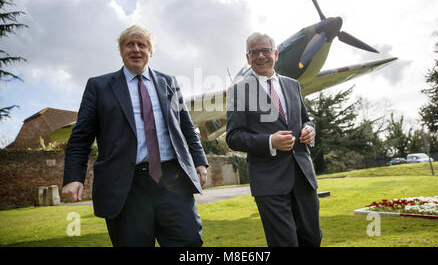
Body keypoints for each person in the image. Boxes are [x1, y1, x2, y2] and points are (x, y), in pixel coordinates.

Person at [62, 25, 208, 247]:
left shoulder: (169, 83)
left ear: (151, 52)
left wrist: (199, 162)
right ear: (121, 51)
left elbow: (187, 128)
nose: (136, 49)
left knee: (189, 242)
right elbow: (80, 138)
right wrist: (74, 177)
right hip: (125, 186)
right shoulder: (98, 87)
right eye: (130, 44)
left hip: (172, 180)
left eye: (142, 45)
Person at [226, 32, 322, 247]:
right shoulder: (239, 91)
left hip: (303, 178)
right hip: (269, 182)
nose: (261, 56)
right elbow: (233, 137)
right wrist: (270, 141)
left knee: (313, 239)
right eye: (254, 52)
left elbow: (306, 120)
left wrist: (309, 130)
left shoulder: (292, 85)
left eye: (266, 51)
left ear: (276, 54)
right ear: (247, 58)